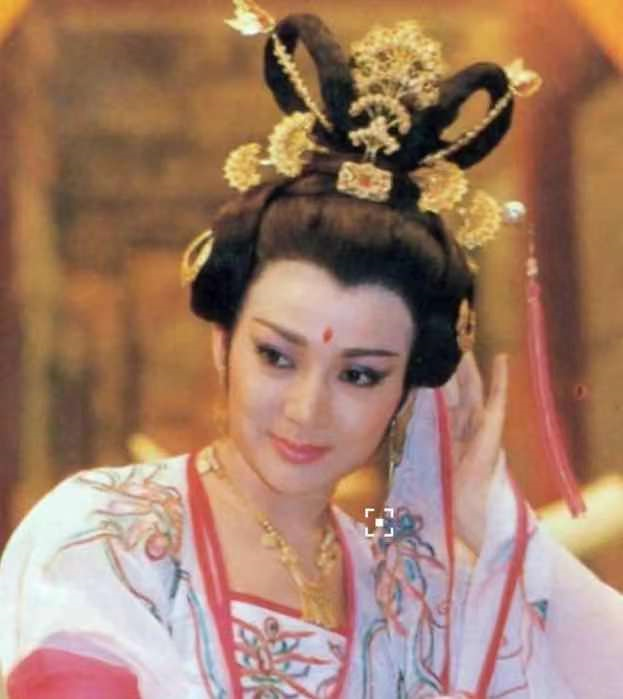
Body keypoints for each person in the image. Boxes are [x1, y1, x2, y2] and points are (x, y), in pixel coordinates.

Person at [1, 5, 622, 698]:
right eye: (276, 356)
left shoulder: (408, 579)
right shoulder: (108, 530)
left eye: (359, 374)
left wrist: (488, 517)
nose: (307, 408)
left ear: (408, 389)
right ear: (222, 343)